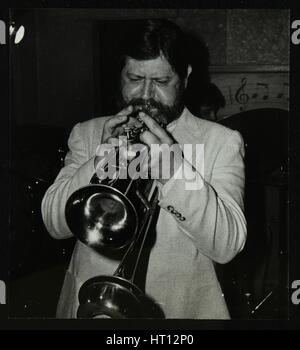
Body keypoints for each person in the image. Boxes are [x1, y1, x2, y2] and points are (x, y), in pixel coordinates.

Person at [41, 19, 246, 319]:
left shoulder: (220, 142)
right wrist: (98, 161)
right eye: (135, 78)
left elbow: (228, 245)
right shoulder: (87, 133)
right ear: (120, 74)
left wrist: (176, 174)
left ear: (185, 77)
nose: (146, 94)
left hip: (180, 310)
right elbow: (54, 224)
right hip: (93, 309)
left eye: (162, 82)